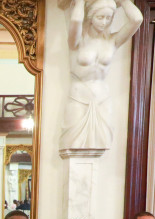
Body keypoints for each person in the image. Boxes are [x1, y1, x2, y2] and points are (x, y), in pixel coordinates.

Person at [59, 0, 143, 150]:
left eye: (108, 18)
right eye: (100, 17)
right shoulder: (77, 41)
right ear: (90, 17)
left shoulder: (113, 41)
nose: (104, 22)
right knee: (73, 145)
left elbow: (137, 19)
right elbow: (76, 20)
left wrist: (123, 1)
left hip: (102, 98)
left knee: (100, 145)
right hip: (79, 96)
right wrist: (80, 2)